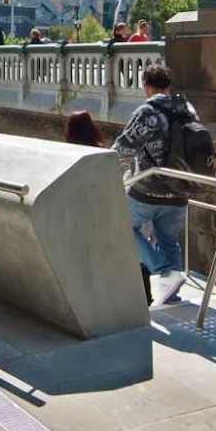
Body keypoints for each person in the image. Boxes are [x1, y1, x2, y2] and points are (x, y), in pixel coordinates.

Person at [113, 64, 198, 306]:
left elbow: (123, 149)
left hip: (148, 190)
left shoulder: (148, 112)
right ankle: (171, 294)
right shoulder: (188, 109)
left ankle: (163, 270)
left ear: (146, 87)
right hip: (180, 190)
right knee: (169, 240)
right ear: (169, 86)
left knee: (122, 225)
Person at [67, 108, 153, 308]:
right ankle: (143, 296)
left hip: (85, 215)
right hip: (109, 210)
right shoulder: (105, 153)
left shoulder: (71, 156)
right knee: (130, 254)